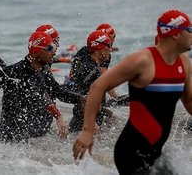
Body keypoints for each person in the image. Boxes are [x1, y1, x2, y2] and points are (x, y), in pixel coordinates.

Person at [73, 9, 192, 174]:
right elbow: (97, 87)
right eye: (190, 30)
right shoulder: (142, 61)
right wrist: (87, 130)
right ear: (176, 34)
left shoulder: (185, 64)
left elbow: (190, 102)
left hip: (157, 153)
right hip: (131, 153)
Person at [0, 31, 83, 143]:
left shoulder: (43, 69)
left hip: (29, 138)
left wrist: (82, 98)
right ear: (36, 51)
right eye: (50, 48)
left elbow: (58, 91)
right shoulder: (15, 71)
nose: (55, 51)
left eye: (54, 47)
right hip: (7, 140)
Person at [68, 30, 113, 133]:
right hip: (83, 126)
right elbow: (81, 98)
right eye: (107, 46)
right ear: (98, 48)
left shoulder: (93, 67)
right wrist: (93, 123)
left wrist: (106, 112)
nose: (110, 49)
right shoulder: (90, 69)